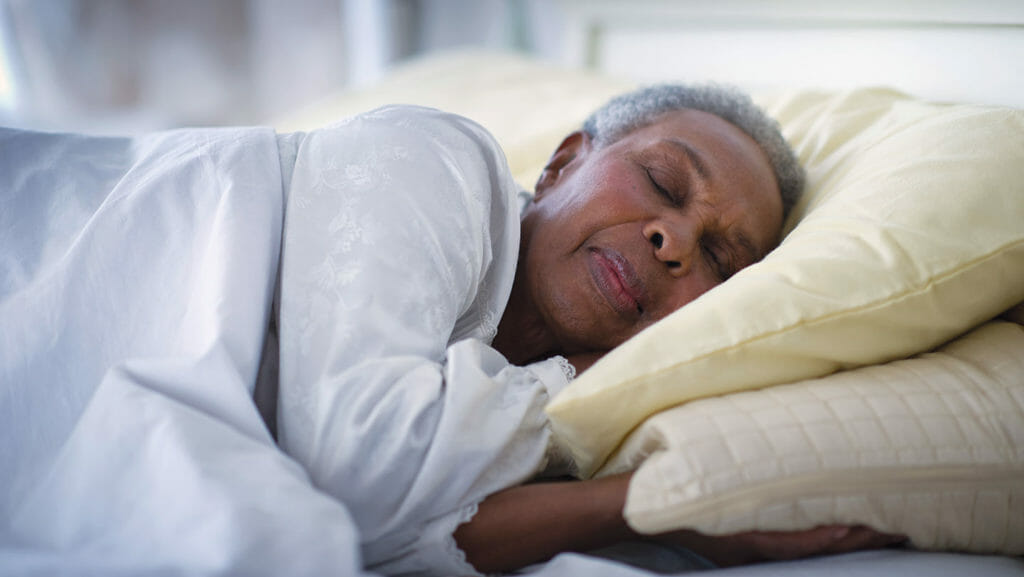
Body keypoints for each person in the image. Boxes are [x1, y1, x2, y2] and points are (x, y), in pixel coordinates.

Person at [268, 84, 902, 576]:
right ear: (562, 164)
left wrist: (664, 509)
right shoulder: (430, 160)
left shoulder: (571, 420)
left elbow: (395, 536)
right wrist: (585, 371)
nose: (674, 239)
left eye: (720, 261)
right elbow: (361, 481)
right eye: (662, 181)